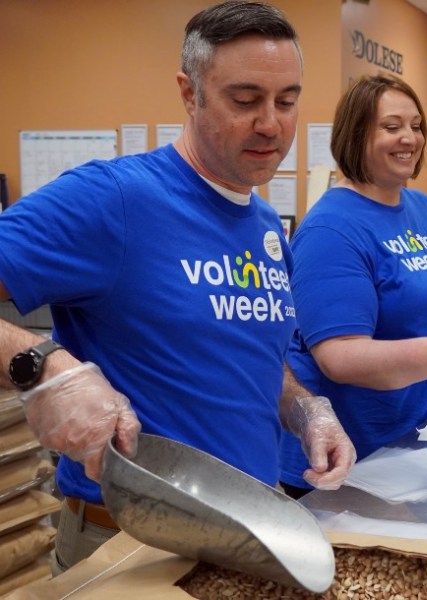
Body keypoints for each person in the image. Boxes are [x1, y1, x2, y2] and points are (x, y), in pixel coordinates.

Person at [0, 1, 355, 574]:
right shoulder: (113, 200)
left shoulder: (265, 226)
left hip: (251, 536)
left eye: (287, 101)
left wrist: (304, 409)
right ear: (189, 94)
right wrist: (40, 364)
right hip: (128, 546)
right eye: (245, 101)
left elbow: (250, 350)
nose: (272, 123)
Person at [278, 73, 427, 499]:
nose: (410, 138)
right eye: (392, 126)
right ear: (356, 135)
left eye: (416, 126)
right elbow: (339, 357)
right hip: (353, 456)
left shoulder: (422, 207)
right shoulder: (332, 228)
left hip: (422, 435)